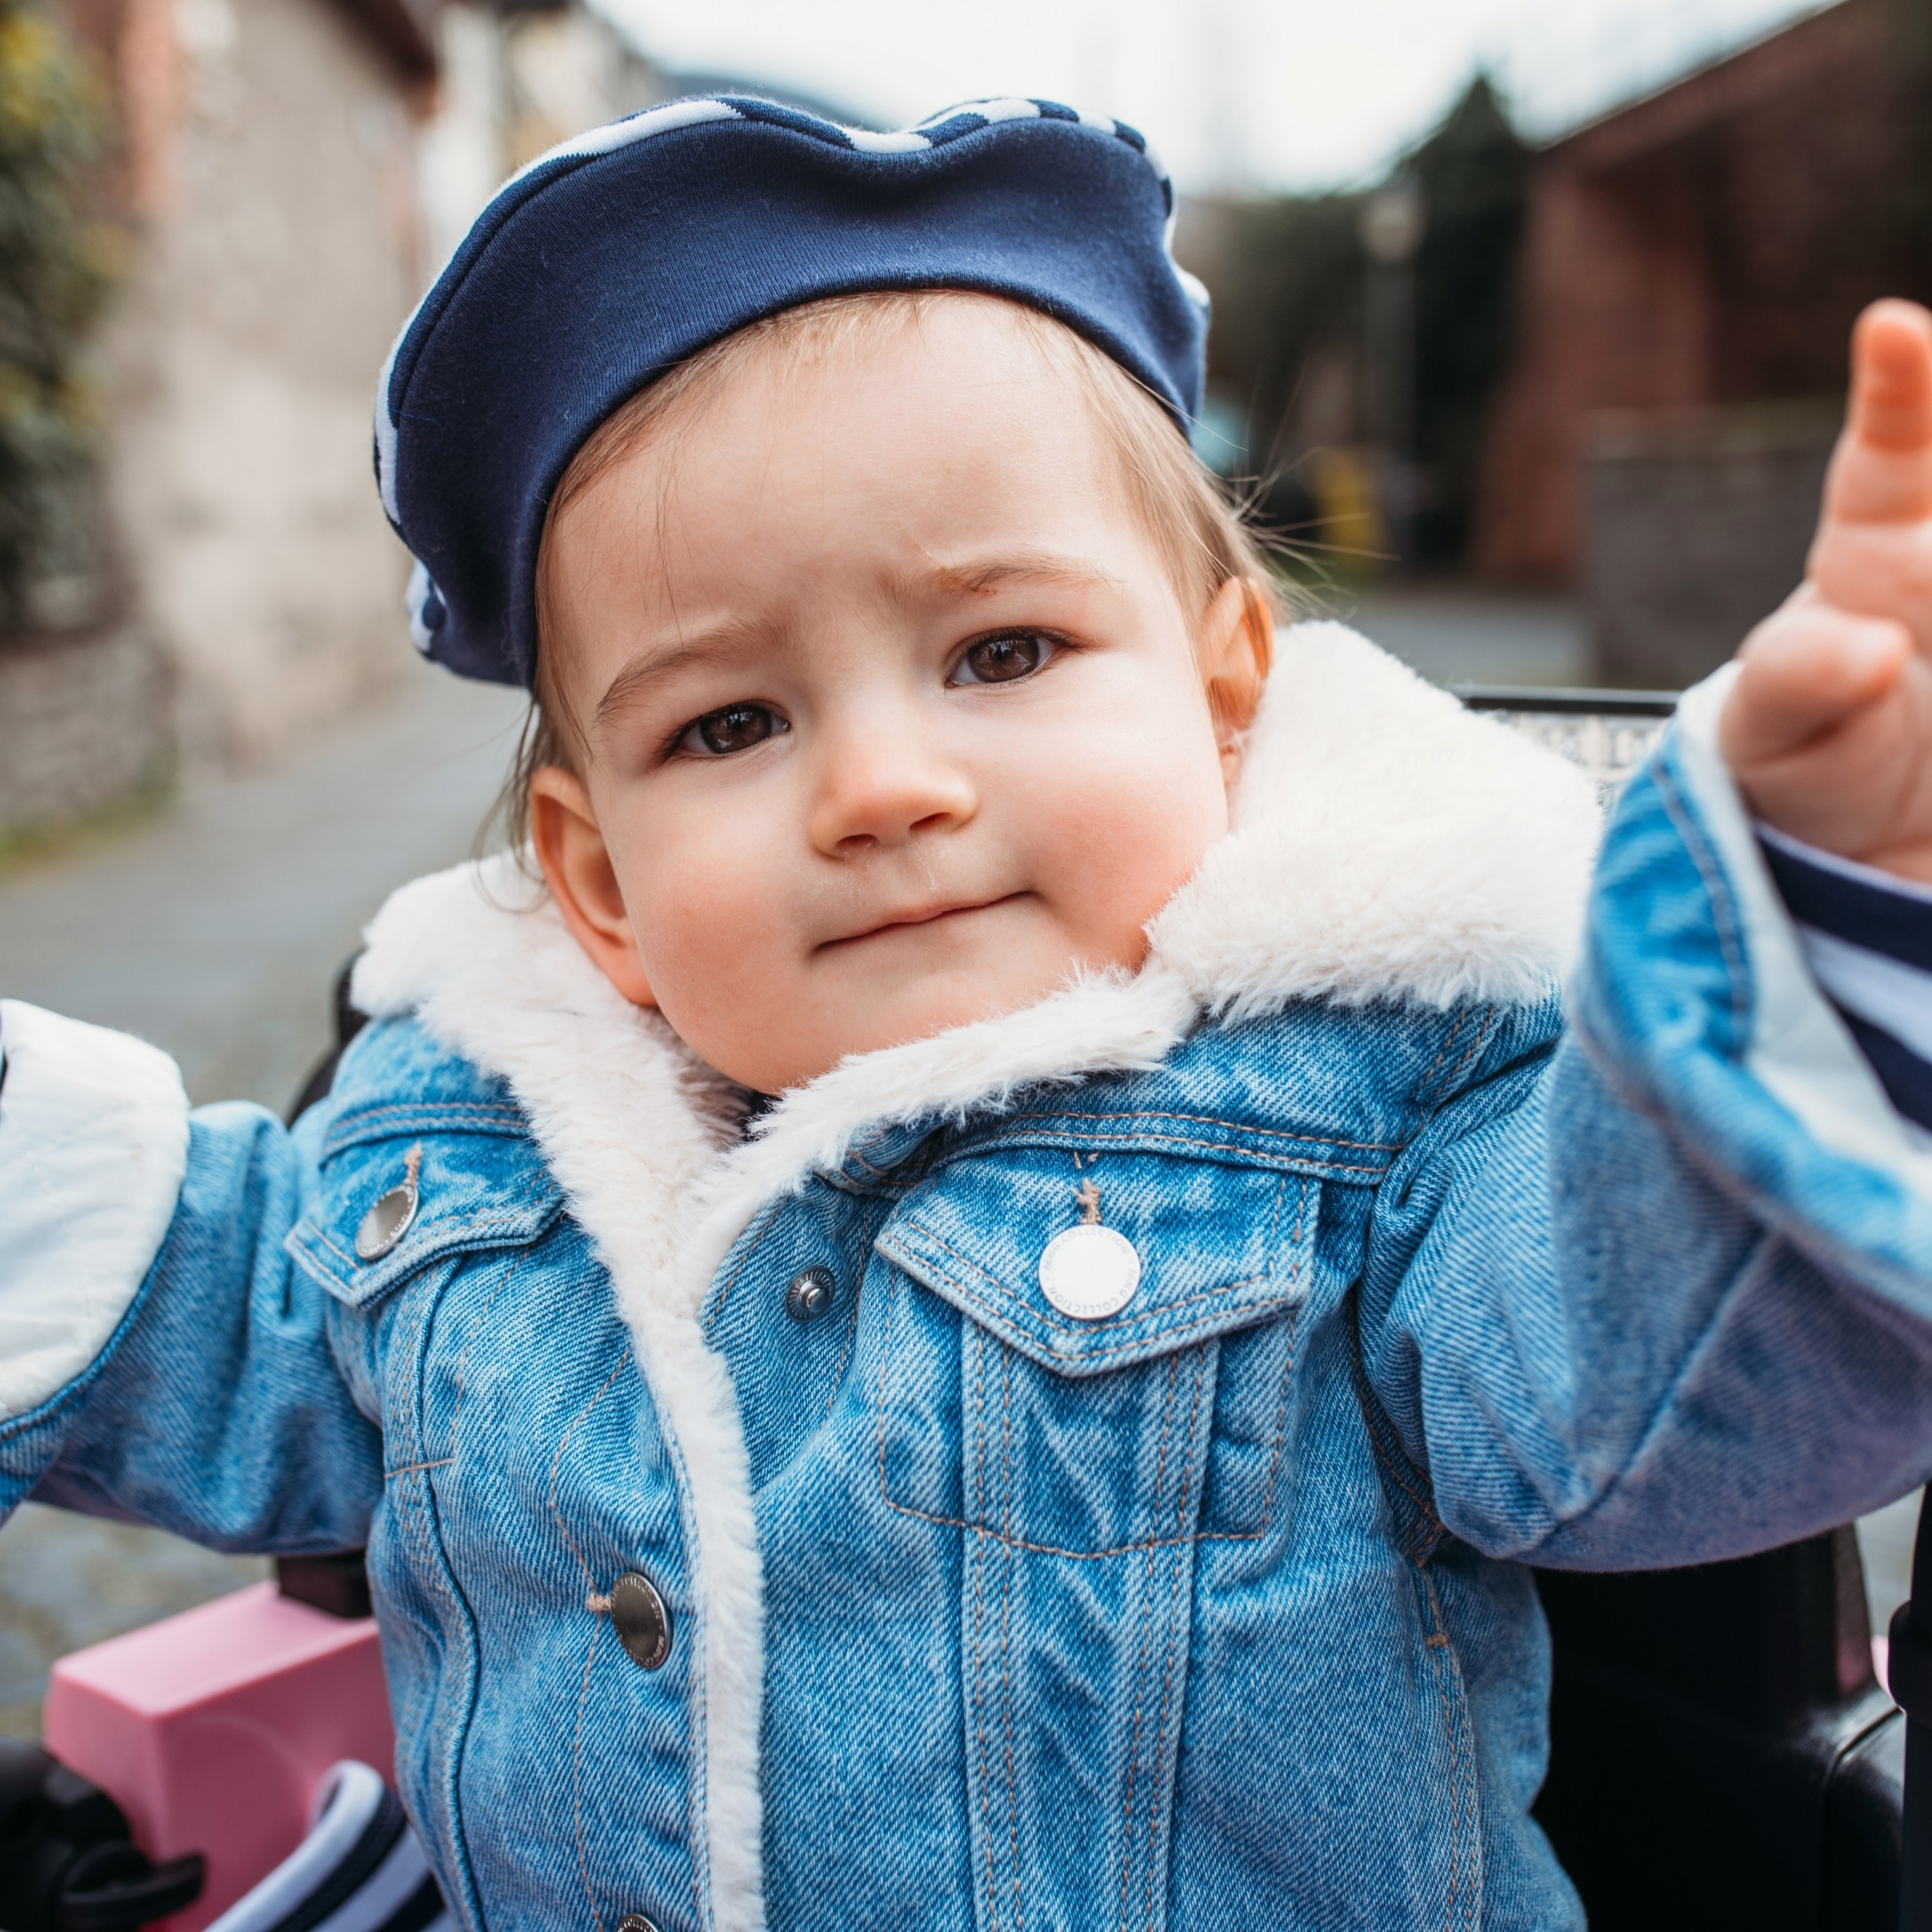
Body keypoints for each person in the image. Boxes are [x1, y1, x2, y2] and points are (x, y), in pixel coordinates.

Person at [3, 93, 1932, 1932]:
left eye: (1001, 649)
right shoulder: (475, 1141)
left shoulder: (1373, 1107)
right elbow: (222, 1310)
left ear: (1223, 693)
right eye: (729, 721)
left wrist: (1827, 947)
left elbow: (1641, 1360)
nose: (881, 784)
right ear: (598, 884)